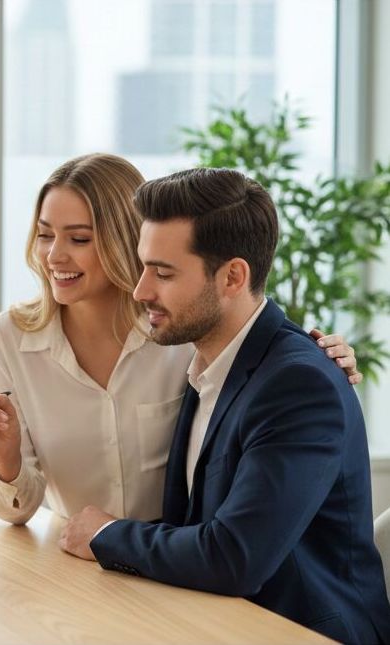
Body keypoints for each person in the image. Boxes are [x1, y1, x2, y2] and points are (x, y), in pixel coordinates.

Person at [58, 168, 390, 643]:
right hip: (216, 624)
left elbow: (235, 557)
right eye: (144, 267)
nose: (141, 290)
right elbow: (197, 525)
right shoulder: (207, 365)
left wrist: (105, 534)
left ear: (233, 276)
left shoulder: (298, 384)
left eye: (163, 273)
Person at [0, 153, 359, 526]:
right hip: (76, 555)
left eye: (80, 239)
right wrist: (6, 457)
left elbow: (263, 362)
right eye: (44, 235)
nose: (54, 255)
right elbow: (18, 510)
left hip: (176, 557)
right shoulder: (9, 338)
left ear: (129, 240)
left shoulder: (183, 326)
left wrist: (323, 360)